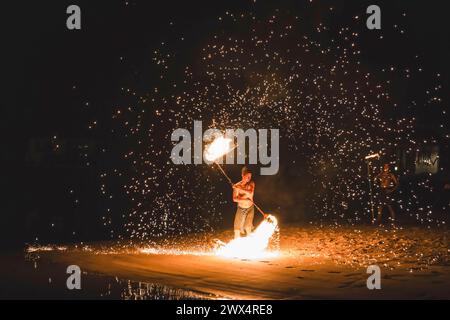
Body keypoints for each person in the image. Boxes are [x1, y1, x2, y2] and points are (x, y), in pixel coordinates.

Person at [232, 166, 255, 239]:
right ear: (242, 175)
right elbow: (235, 199)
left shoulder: (251, 183)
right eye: (247, 176)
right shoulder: (237, 185)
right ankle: (236, 245)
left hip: (250, 208)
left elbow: (250, 192)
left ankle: (250, 246)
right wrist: (245, 199)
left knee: (248, 227)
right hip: (240, 208)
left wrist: (239, 190)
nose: (249, 178)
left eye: (250, 176)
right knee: (237, 229)